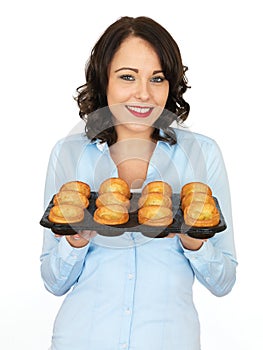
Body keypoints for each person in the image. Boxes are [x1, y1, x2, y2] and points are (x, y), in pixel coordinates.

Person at [40, 16, 237, 350]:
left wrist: (193, 239)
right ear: (103, 81)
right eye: (127, 76)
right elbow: (53, 281)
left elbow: (224, 281)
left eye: (157, 78)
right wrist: (75, 240)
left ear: (170, 84)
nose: (143, 94)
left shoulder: (202, 153)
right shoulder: (70, 153)